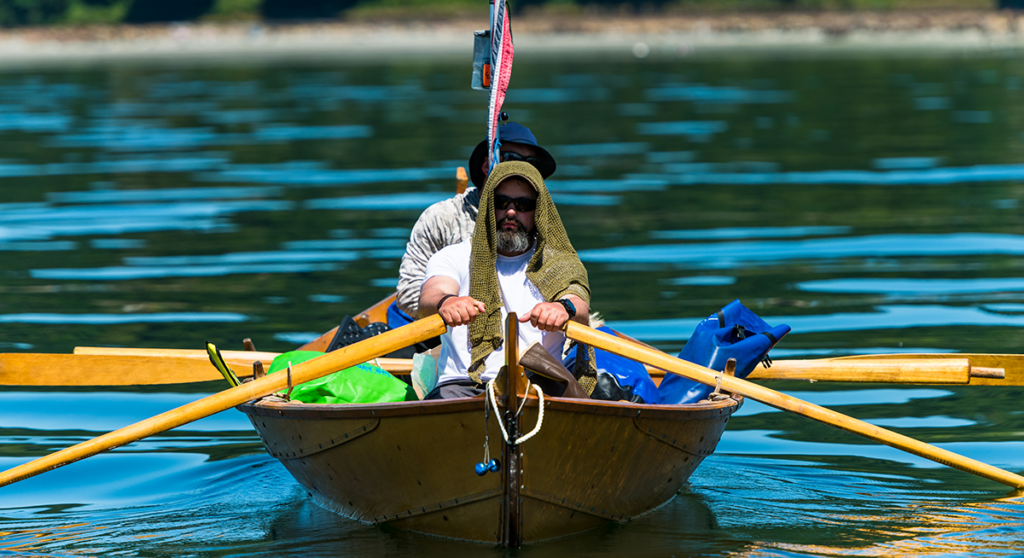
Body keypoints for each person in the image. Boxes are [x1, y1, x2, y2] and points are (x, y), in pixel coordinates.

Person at [418, 161, 591, 399]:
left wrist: (562, 308)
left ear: (538, 210)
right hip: (463, 385)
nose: (511, 212)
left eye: (523, 205)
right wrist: (447, 302)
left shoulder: (560, 263)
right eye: (502, 202)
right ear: (489, 206)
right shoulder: (453, 256)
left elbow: (579, 304)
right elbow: (430, 295)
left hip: (541, 385)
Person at [390, 123, 557, 327]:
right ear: (487, 165)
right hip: (446, 332)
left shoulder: (539, 221)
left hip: (526, 330)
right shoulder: (442, 218)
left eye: (530, 163)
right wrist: (450, 305)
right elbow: (409, 294)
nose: (519, 169)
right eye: (511, 159)